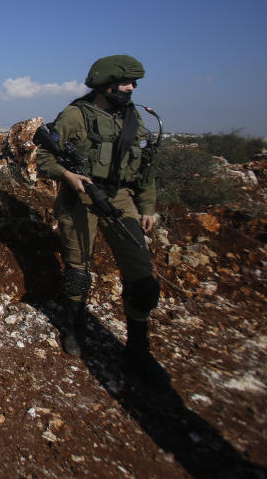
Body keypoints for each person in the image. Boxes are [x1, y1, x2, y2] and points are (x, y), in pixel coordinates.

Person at [35, 55, 170, 387]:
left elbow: (144, 168)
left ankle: (138, 345)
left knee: (142, 276)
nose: (131, 88)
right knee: (78, 270)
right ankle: (75, 325)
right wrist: (68, 175)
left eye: (133, 83)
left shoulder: (133, 117)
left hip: (121, 198)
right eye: (125, 82)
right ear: (105, 82)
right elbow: (44, 156)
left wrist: (147, 206)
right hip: (80, 197)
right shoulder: (75, 116)